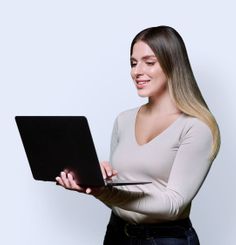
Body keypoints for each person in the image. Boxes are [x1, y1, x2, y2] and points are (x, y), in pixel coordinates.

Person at [56, 25, 221, 245]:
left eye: (149, 62)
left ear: (173, 64)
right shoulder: (123, 120)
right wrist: (98, 182)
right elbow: (122, 201)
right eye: (133, 63)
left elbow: (173, 204)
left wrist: (103, 192)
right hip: (117, 234)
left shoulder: (196, 126)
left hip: (165, 240)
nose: (137, 71)